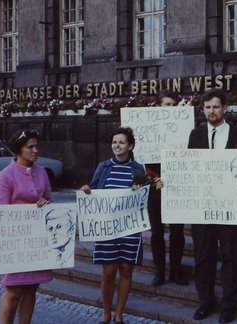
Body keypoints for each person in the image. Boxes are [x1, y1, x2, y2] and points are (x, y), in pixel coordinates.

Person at [187, 88, 237, 323]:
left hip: (230, 207)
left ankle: (228, 304)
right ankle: (205, 301)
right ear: (202, 109)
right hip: (203, 206)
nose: (211, 111)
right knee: (203, 255)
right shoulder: (195, 135)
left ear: (225, 108)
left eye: (215, 106)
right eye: (207, 107)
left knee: (230, 255)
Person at [80, 127, 149, 324]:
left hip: (129, 228)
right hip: (107, 228)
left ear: (130, 146)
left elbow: (146, 195)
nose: (117, 146)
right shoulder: (103, 166)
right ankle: (106, 313)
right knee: (109, 272)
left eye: (121, 142)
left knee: (127, 269)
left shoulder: (139, 169)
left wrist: (142, 188)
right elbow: (93, 189)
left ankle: (119, 314)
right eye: (114, 142)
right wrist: (87, 190)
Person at [0, 128, 53, 324]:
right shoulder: (5, 176)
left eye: (36, 146)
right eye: (30, 147)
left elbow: (49, 200)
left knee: (31, 289)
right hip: (16, 242)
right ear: (19, 149)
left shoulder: (42, 172)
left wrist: (45, 203)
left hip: (37, 242)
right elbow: (2, 213)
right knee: (13, 291)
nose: (35, 150)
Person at [147, 90, 188, 286]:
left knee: (177, 232)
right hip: (155, 191)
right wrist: (155, 179)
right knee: (156, 233)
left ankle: (176, 270)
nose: (170, 109)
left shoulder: (184, 129)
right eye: (166, 105)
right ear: (158, 108)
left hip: (178, 188)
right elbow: (142, 163)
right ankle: (159, 271)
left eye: (173, 105)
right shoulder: (147, 130)